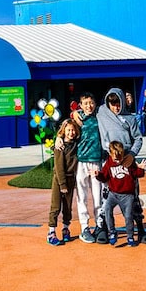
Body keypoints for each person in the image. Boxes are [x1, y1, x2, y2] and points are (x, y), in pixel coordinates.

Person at [97, 87, 146, 243]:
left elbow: (138, 139)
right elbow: (85, 111)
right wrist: (75, 113)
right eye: (112, 102)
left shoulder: (130, 119)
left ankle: (140, 228)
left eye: (117, 102)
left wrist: (132, 155)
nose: (115, 106)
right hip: (109, 160)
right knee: (106, 195)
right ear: (107, 102)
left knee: (133, 195)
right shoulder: (101, 113)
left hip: (127, 159)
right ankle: (104, 228)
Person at [58, 92, 103, 244]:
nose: (89, 106)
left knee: (98, 196)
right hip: (82, 162)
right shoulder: (78, 119)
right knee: (82, 196)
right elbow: (66, 127)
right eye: (85, 103)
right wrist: (58, 138)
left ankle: (100, 225)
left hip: (96, 161)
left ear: (95, 103)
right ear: (81, 105)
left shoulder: (99, 117)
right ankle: (85, 227)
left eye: (91, 102)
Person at [96, 141, 146, 246]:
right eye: (115, 158)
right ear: (110, 154)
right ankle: (112, 233)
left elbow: (136, 173)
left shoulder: (128, 162)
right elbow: (104, 177)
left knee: (128, 215)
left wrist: (141, 169)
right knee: (107, 209)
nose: (117, 160)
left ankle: (130, 237)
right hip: (113, 194)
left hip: (127, 195)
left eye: (120, 157)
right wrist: (98, 174)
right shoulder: (108, 164)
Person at [47, 118, 79, 246]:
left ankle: (66, 228)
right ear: (63, 131)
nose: (71, 132)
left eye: (73, 130)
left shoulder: (76, 144)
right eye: (68, 130)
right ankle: (51, 232)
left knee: (67, 207)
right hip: (60, 180)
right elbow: (59, 167)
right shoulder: (60, 146)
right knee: (56, 206)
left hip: (71, 179)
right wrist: (62, 184)